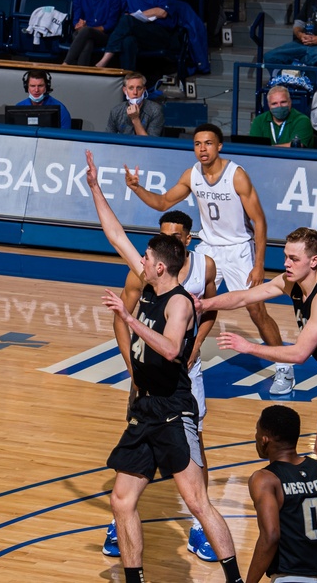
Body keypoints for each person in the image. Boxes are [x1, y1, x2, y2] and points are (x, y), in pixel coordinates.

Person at [84, 150, 245, 583]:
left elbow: (173, 350)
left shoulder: (178, 303)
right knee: (122, 500)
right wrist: (96, 188)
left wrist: (132, 319)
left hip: (175, 409)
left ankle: (234, 577)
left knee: (197, 502)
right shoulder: (153, 279)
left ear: (160, 266)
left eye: (148, 257)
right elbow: (115, 234)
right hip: (145, 406)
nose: (141, 259)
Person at [198, 227, 317, 582]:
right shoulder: (290, 283)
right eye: (284, 256)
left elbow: (299, 354)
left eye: (293, 258)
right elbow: (246, 296)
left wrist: (248, 346)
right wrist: (206, 303)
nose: (285, 264)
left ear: (313, 261)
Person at [123, 124, 290, 394]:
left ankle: (285, 368)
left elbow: (259, 221)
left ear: (219, 146)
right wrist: (137, 188)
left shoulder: (237, 176)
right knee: (185, 299)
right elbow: (165, 202)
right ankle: (181, 352)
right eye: (198, 143)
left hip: (238, 249)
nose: (203, 148)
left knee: (256, 310)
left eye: (208, 143)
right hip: (209, 247)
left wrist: (259, 264)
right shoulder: (192, 174)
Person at [101, 209, 218, 562]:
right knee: (136, 439)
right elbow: (117, 237)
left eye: (175, 234)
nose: (167, 238)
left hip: (183, 375)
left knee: (194, 441)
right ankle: (118, 517)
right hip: (149, 373)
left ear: (187, 239)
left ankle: (201, 526)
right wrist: (130, 366)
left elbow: (210, 310)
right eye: (162, 232)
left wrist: (195, 346)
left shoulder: (203, 268)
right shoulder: (147, 272)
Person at [245, 404, 317, 583]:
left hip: (289, 578)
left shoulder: (265, 480)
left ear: (265, 439)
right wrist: (315, 535)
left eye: (257, 431)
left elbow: (270, 537)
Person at [248, 85, 315, 147]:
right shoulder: (259, 121)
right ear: (269, 105)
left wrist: (266, 149)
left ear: (290, 102)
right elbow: (254, 146)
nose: (279, 106)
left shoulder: (302, 121)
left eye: (283, 102)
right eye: (274, 103)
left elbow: (294, 147)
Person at [106, 71, 164, 136]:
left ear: (144, 90)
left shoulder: (155, 111)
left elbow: (150, 143)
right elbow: (108, 139)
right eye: (131, 88)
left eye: (139, 88)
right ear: (125, 91)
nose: (135, 92)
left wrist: (135, 119)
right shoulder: (116, 111)